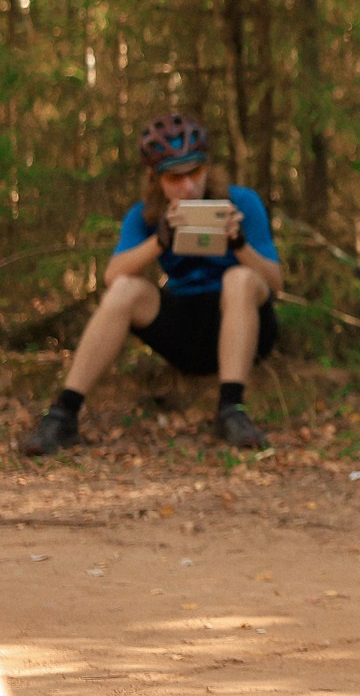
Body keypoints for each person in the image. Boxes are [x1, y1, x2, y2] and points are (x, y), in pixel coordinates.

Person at [19, 114, 282, 455]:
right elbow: (113, 276)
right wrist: (160, 240)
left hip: (246, 323)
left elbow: (275, 283)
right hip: (186, 329)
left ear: (208, 167)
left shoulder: (243, 203)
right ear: (155, 178)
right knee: (126, 289)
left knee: (240, 278)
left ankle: (232, 409)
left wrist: (240, 245)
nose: (188, 186)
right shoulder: (143, 215)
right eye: (175, 177)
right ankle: (63, 414)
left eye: (195, 173)